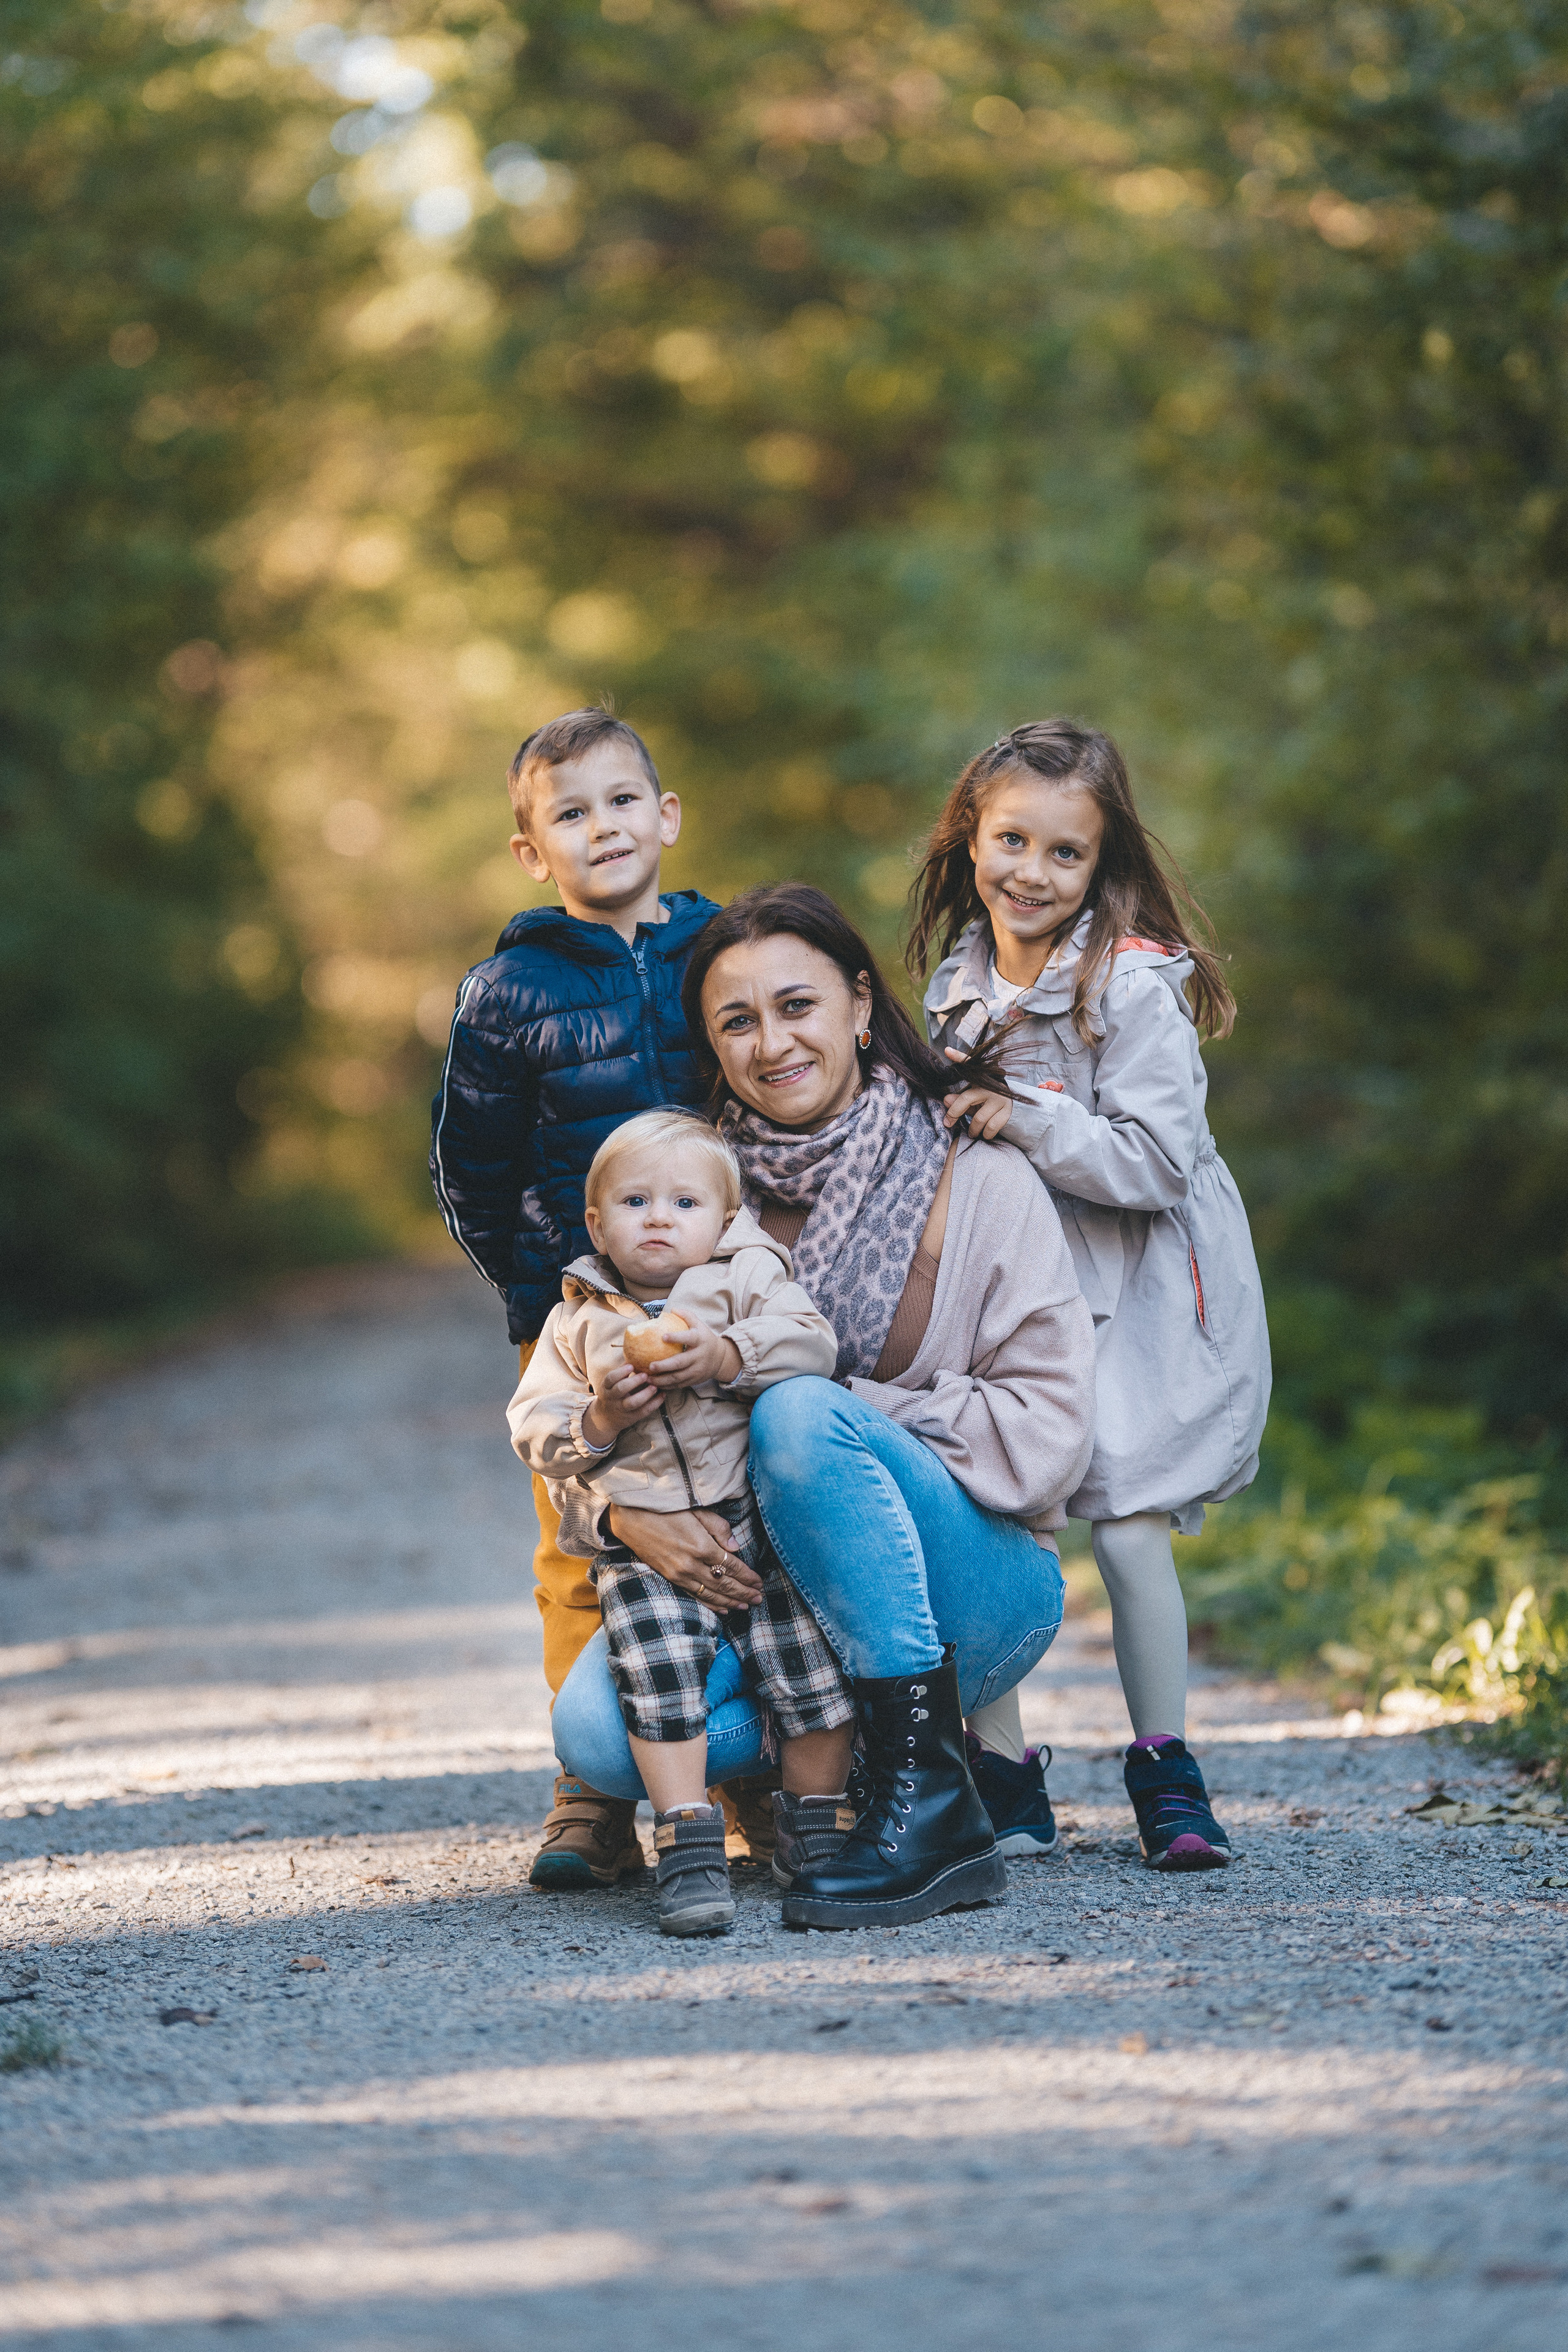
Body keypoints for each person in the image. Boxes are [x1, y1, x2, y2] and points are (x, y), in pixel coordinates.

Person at [551, 883, 1097, 1929]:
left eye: (797, 1005)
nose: (772, 1043)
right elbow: (587, 1417)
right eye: (738, 1021)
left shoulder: (977, 1174)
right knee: (594, 1736)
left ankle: (930, 1797)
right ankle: (808, 1787)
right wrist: (626, 1517)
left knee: (795, 1413)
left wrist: (828, 1425)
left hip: (971, 1589)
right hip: (766, 1589)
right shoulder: (684, 1200)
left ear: (857, 1002)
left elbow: (1047, 1436)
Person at [911, 718, 1272, 1871]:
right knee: (999, 1507)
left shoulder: (1132, 985)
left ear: (1101, 865)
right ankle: (1004, 1769)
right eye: (1012, 839)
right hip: (1014, 1278)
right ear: (972, 835)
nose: (1032, 872)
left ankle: (1165, 1766)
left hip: (1140, 1274)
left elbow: (1160, 1162)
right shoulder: (957, 982)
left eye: (1065, 854)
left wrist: (1029, 1116)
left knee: (1124, 1522)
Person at [429, 707, 720, 1890]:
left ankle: (733, 1777)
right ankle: (591, 1790)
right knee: (581, 1547)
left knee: (733, 1525)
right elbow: (469, 1169)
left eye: (618, 800)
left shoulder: (723, 953)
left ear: (666, 816)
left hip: (723, 1307)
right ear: (530, 852)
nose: (599, 826)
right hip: (577, 1320)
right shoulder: (507, 990)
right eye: (567, 813)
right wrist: (537, 1296)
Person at [508, 1107, 853, 1936]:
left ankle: (818, 1832)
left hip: (760, 1524)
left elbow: (815, 1346)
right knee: (658, 1680)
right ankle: (689, 1842)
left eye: (684, 1204)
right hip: (645, 1548)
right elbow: (532, 1426)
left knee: (809, 1666)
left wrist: (729, 1355)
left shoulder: (748, 1279)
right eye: (634, 1202)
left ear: (726, 1219)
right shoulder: (576, 1318)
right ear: (597, 1223)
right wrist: (596, 1421)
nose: (659, 1217)